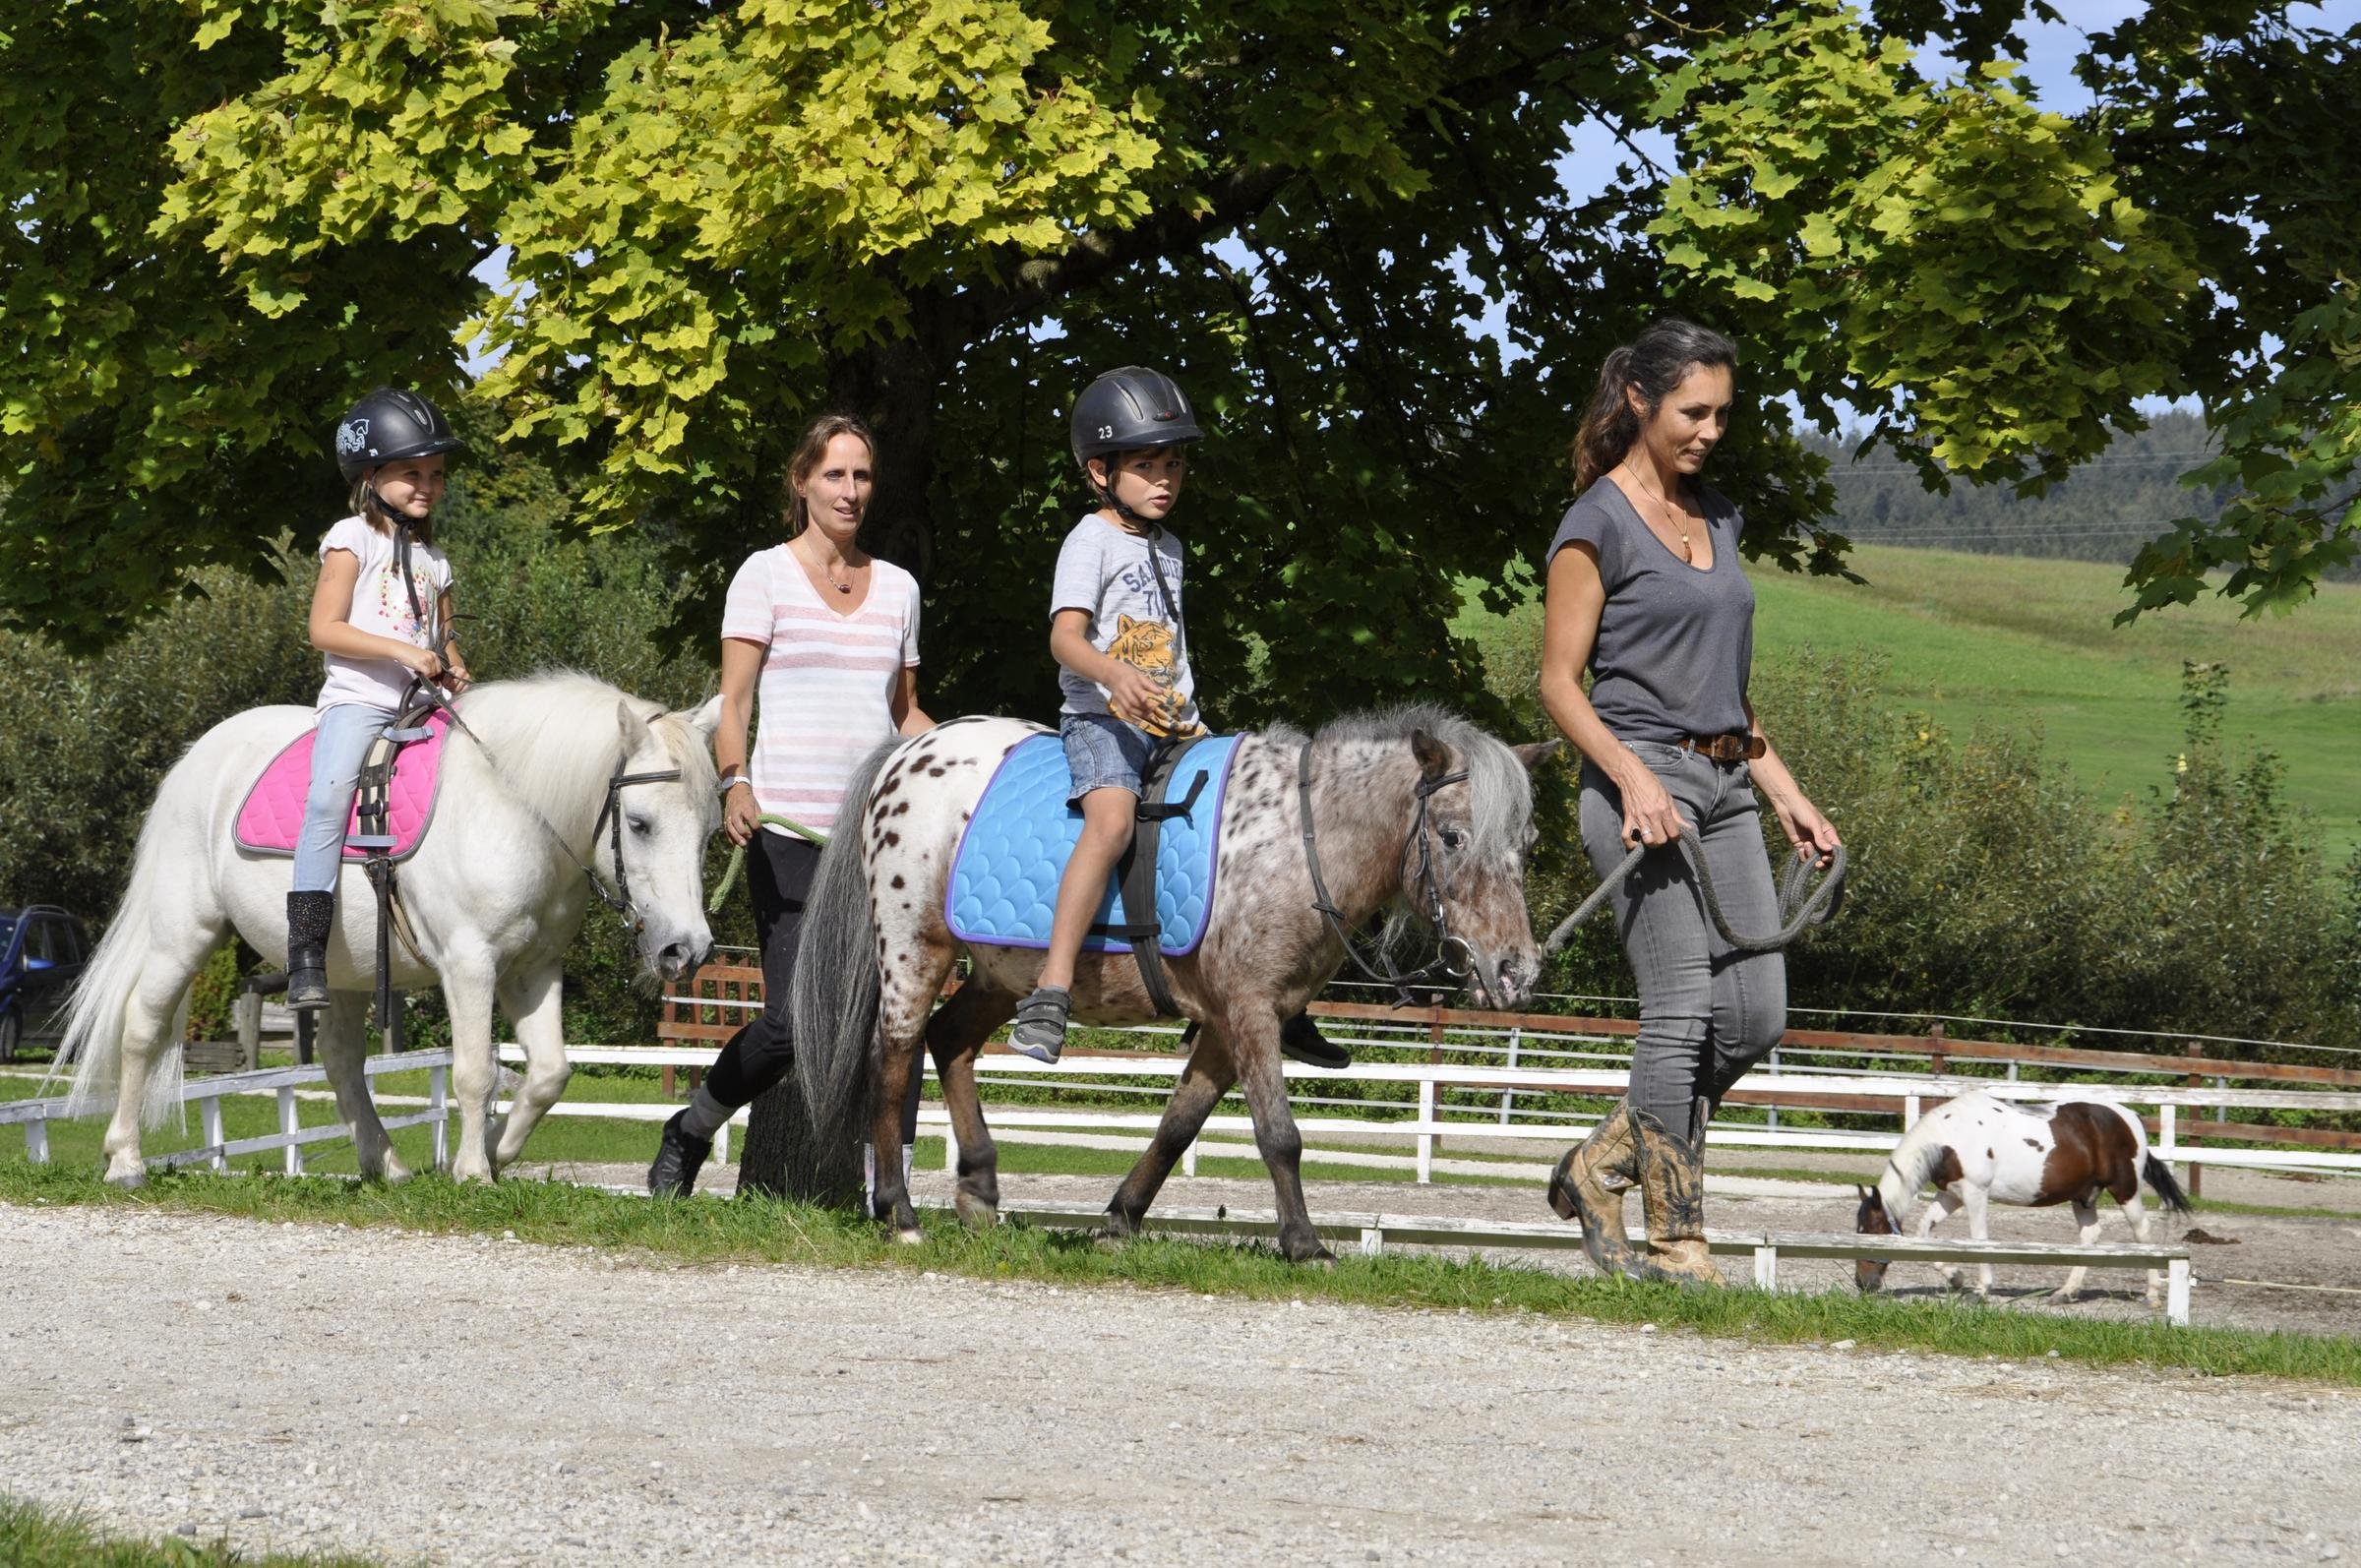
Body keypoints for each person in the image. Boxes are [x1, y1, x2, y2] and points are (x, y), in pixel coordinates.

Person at [1536, 319, 1841, 1284]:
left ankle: (1598, 1167)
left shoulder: (1719, 517)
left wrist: (1784, 789)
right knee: (1680, 1010)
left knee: (1755, 1016)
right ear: (1640, 401)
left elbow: (1727, 687)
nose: (1710, 430)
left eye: (1722, 414)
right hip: (1643, 786)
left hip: (1726, 786)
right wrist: (1629, 776)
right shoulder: (1595, 522)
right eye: (1692, 412)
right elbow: (1556, 682)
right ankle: (1678, 1240)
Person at [1007, 367, 1348, 1071]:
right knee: (1110, 822)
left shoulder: (1169, 548)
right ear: (1100, 471)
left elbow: (1169, 643)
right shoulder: (1089, 540)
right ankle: (1052, 990)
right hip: (1102, 722)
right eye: (1146, 465)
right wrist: (1113, 678)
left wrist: (1193, 717)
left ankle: (1285, 1001)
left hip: (1175, 726)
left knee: (1253, 822)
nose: (1165, 479)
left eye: (1173, 464)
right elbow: (1065, 638)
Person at [648, 414, 932, 1197]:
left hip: (879, 838)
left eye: (862, 476)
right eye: (834, 475)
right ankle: (693, 1127)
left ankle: (891, 1195)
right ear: (802, 482)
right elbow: (733, 700)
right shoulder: (762, 576)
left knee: (890, 1020)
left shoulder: (900, 588)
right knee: (795, 1023)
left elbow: (906, 713)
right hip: (789, 830)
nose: (850, 491)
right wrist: (735, 779)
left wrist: (976, 755)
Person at [289, 388, 471, 1011]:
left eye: (436, 475)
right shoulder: (350, 538)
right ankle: (306, 950)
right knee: (327, 798)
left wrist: (453, 667)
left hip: (420, 707)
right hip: (360, 700)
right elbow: (324, 629)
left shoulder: (436, 558)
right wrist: (403, 654)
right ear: (371, 476)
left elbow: (443, 637)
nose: (427, 486)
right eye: (411, 473)